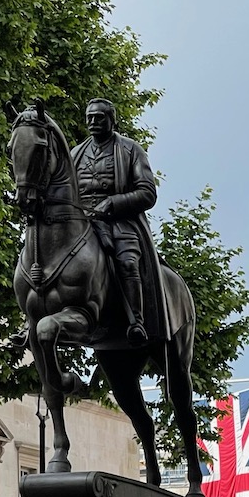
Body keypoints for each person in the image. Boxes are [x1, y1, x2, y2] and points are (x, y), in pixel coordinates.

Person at [68, 97, 168, 346]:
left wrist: (114, 203)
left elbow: (147, 193)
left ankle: (136, 321)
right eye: (89, 117)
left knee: (127, 262)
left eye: (99, 117)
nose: (92, 122)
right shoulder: (76, 153)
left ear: (112, 120)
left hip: (119, 223)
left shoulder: (131, 150)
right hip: (81, 224)